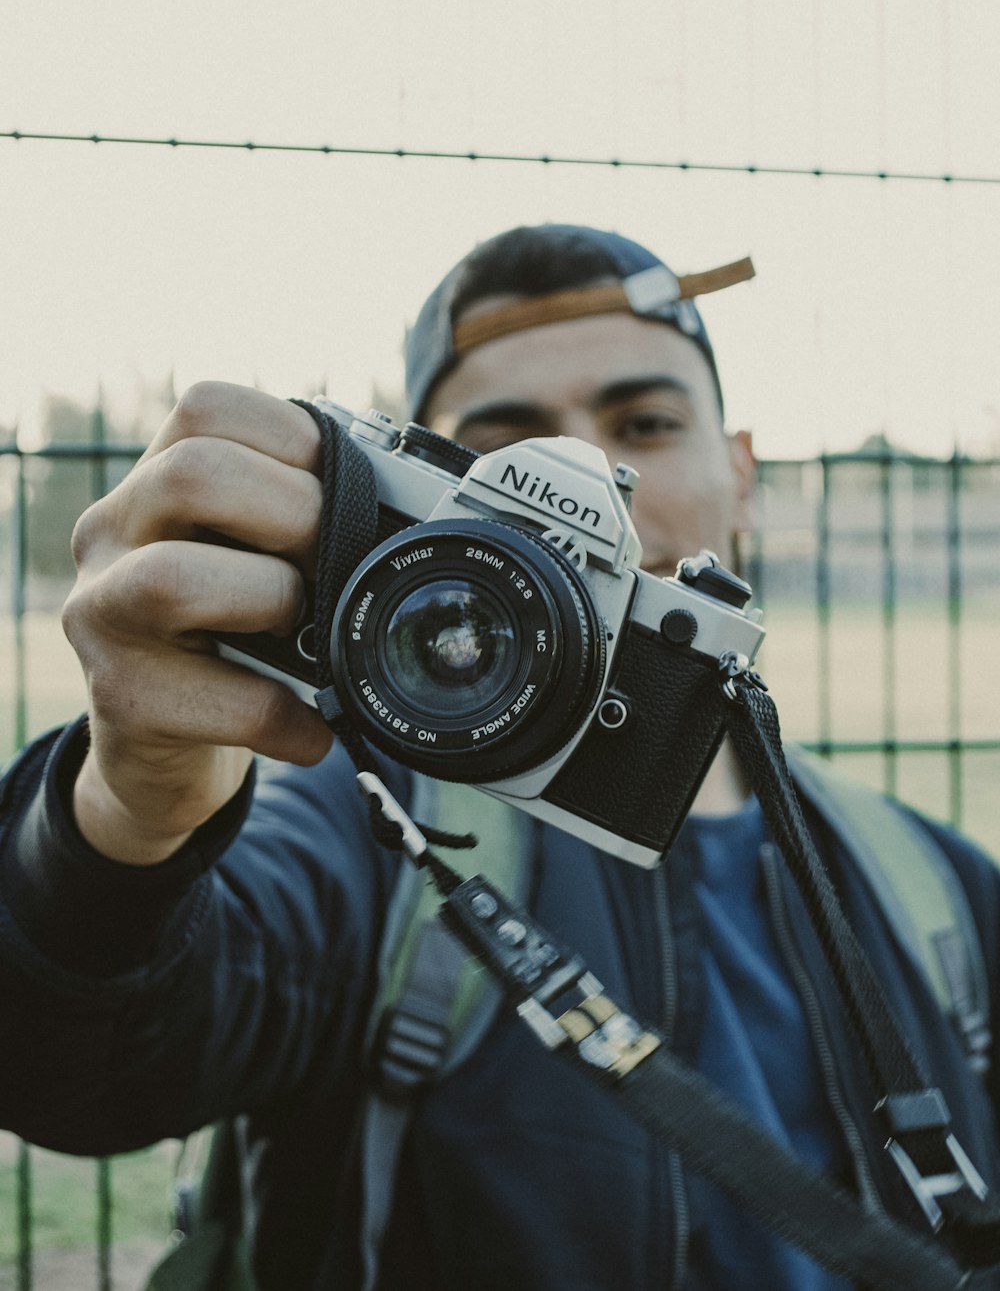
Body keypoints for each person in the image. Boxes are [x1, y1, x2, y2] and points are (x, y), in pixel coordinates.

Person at [0, 223, 997, 1291]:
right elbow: (82, 1065)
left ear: (740, 476)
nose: (587, 492)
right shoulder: (359, 827)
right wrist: (127, 815)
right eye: (498, 448)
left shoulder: (930, 889)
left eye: (645, 425)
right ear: (403, 506)